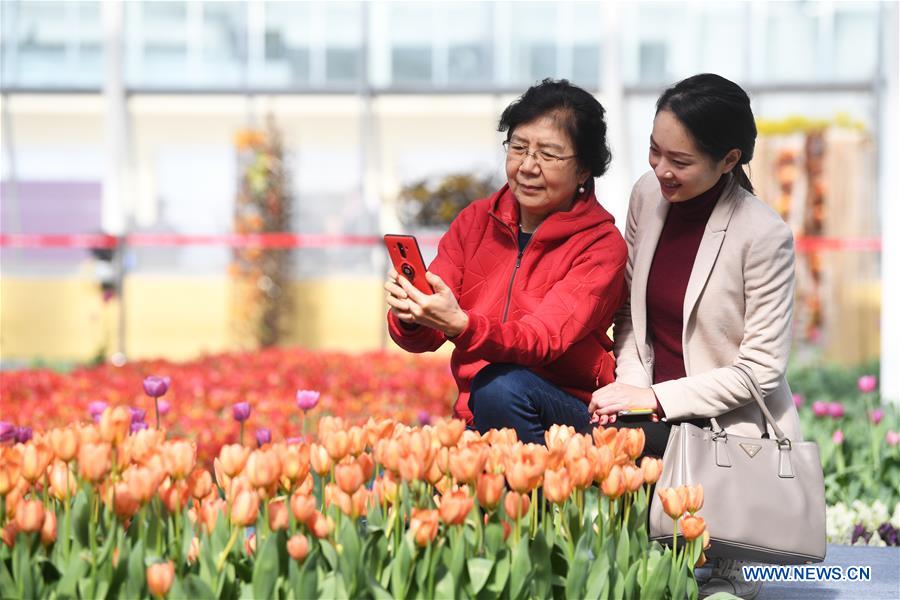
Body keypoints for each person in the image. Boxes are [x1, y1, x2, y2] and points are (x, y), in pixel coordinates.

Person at [587, 73, 803, 599]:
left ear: (729, 160)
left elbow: (758, 372)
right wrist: (632, 395)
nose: (661, 169)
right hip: (653, 402)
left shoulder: (764, 235)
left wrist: (654, 400)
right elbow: (631, 314)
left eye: (679, 161)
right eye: (654, 151)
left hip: (723, 422)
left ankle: (728, 556)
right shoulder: (647, 196)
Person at [385, 78, 627, 445]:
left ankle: (541, 495)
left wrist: (461, 325)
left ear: (583, 170)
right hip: (479, 411)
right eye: (518, 148)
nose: (528, 166)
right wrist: (414, 315)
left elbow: (542, 339)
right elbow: (426, 337)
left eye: (549, 155)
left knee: (500, 387)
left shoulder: (600, 245)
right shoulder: (475, 221)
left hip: (565, 416)